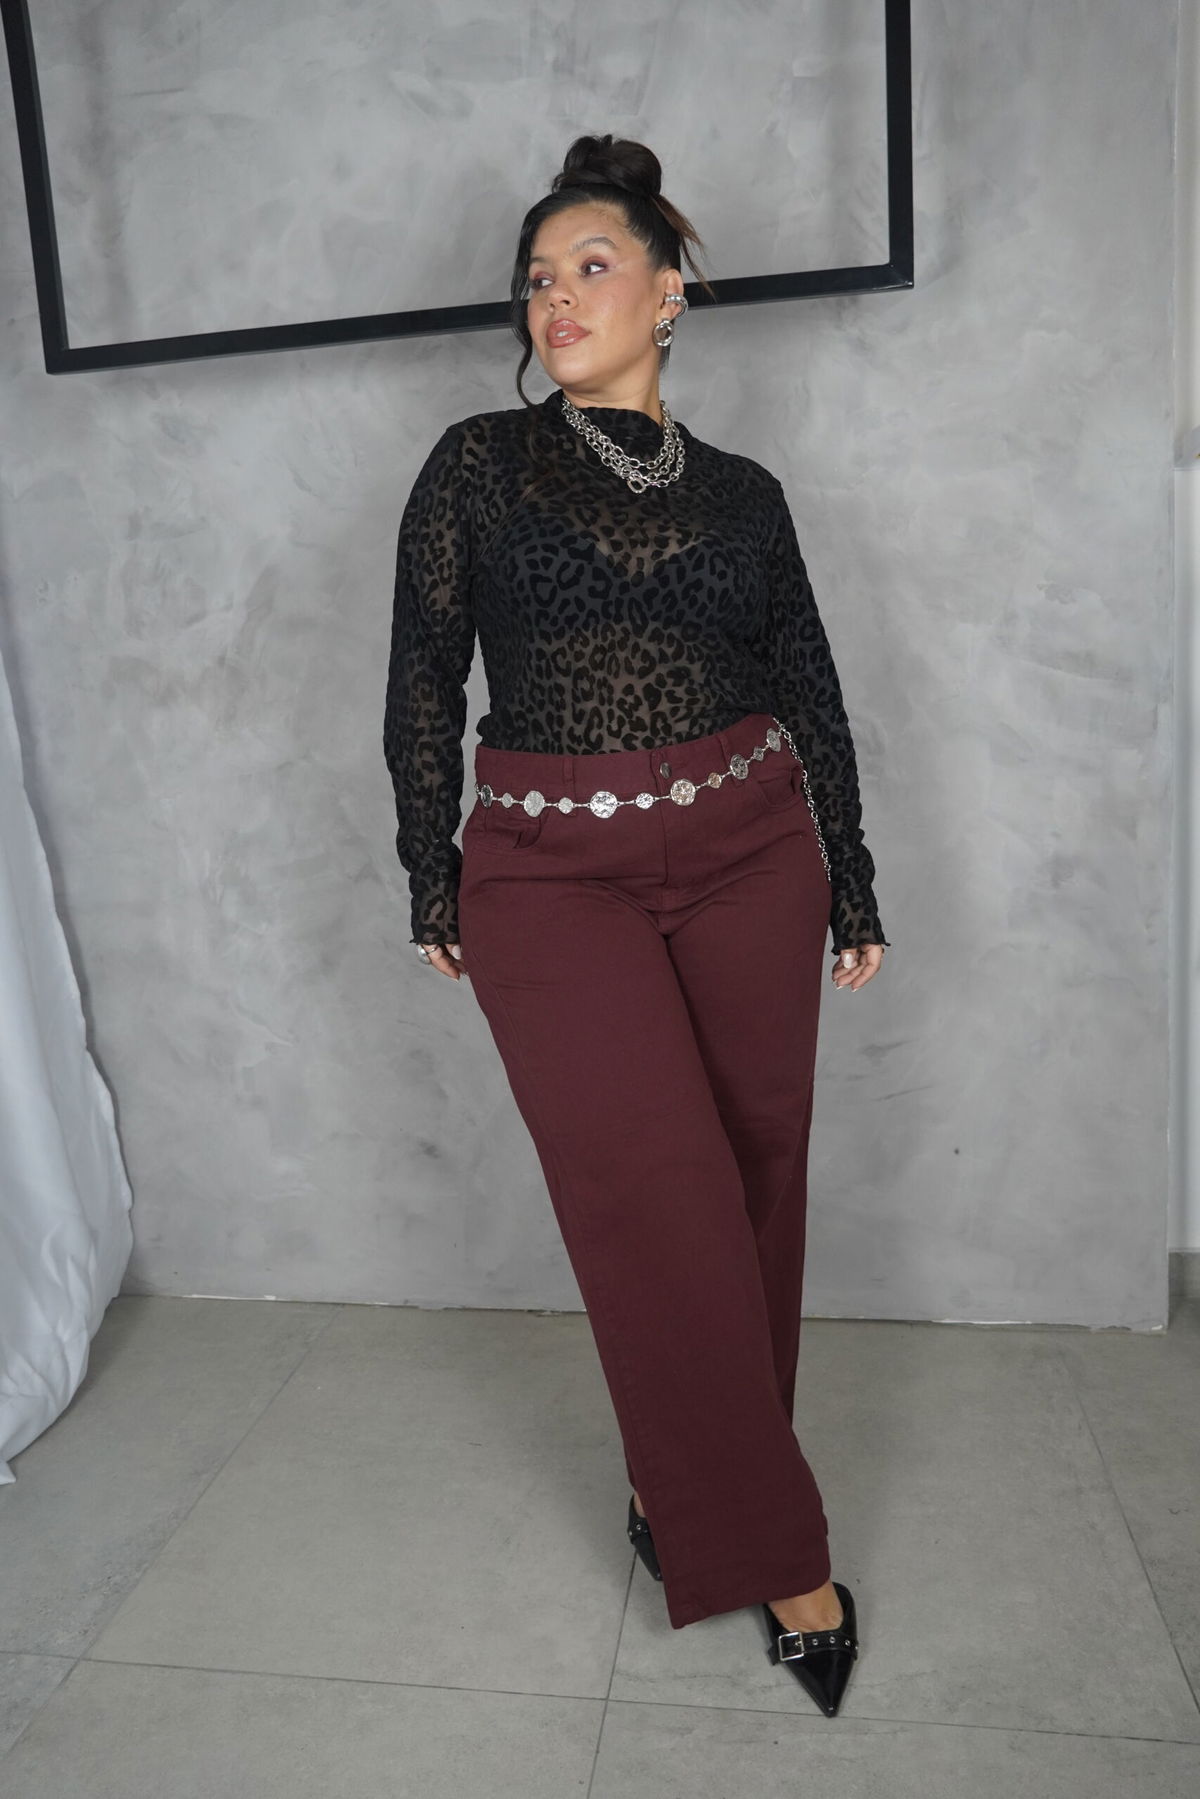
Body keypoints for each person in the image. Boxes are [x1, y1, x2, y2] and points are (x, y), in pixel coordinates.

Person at [383, 133, 888, 1718]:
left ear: (672, 291)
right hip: (552, 872)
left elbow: (807, 683)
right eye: (536, 277)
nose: (556, 297)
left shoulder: (747, 496)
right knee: (653, 1198)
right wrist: (427, 863)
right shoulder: (478, 464)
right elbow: (423, 676)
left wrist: (851, 868)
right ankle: (784, 1557)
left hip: (752, 853)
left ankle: (691, 1489)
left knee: (751, 1184)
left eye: (592, 266)